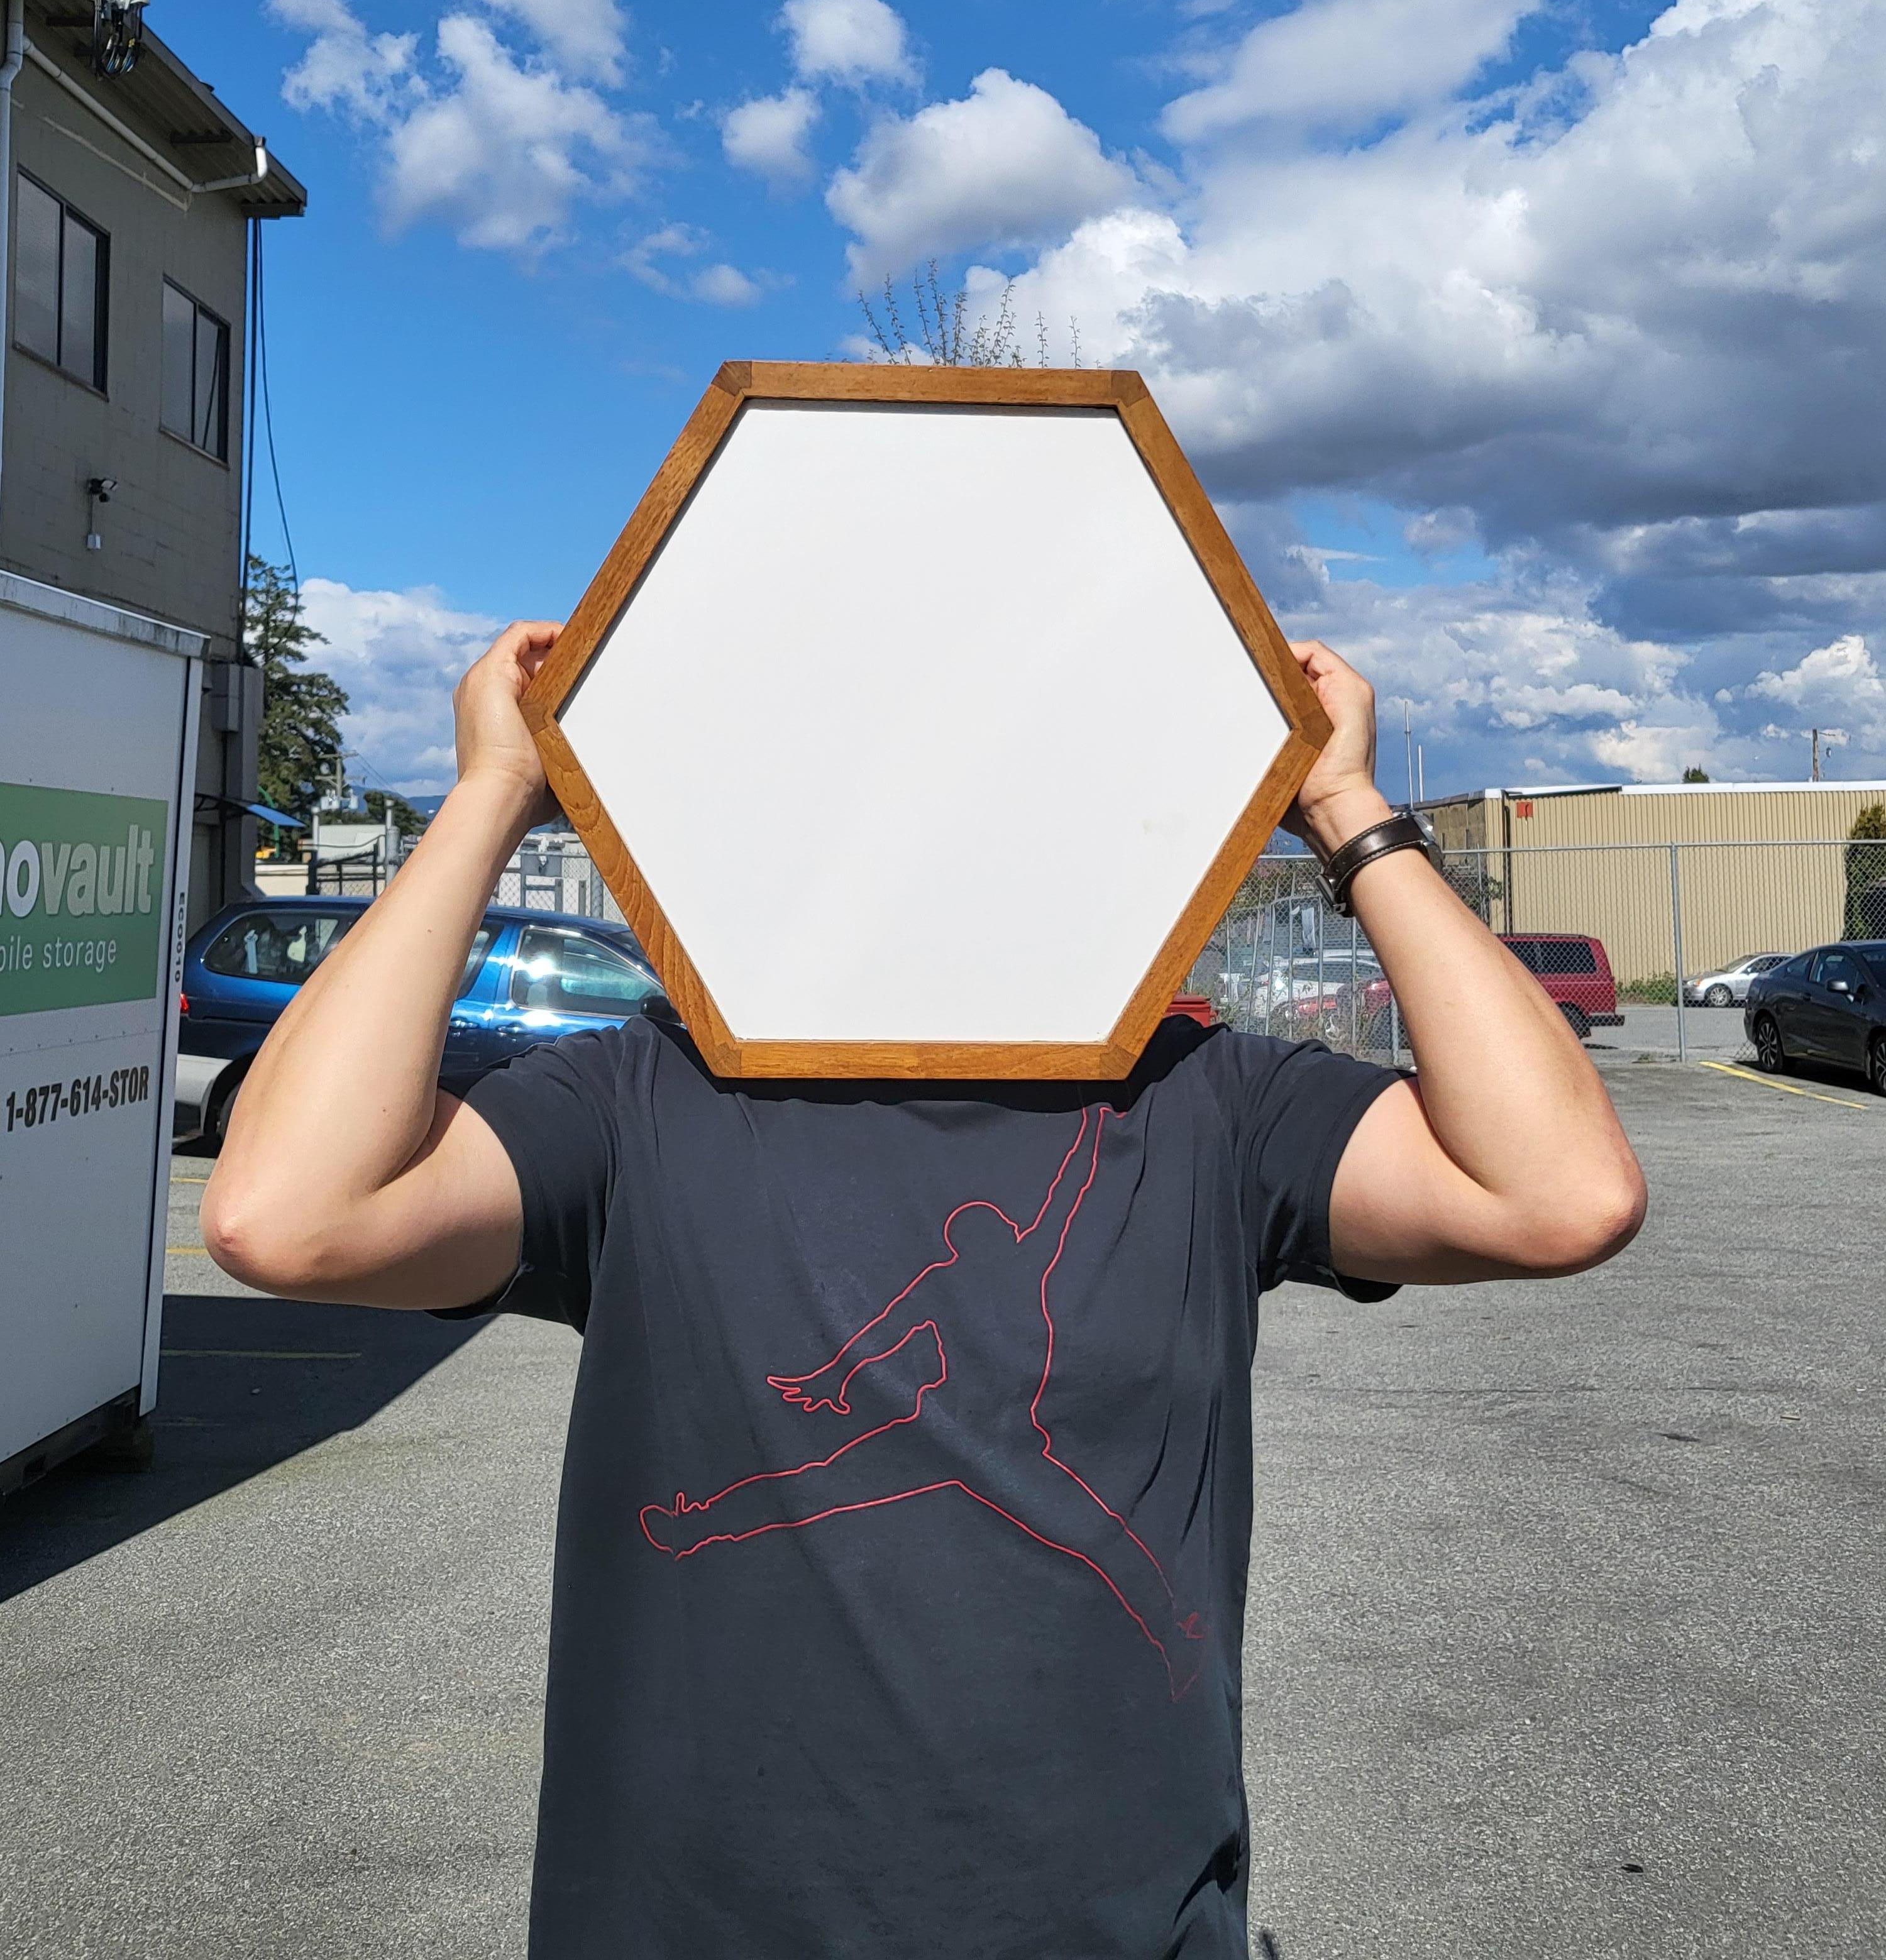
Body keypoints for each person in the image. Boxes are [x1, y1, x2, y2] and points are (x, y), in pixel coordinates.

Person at [202, 624, 1645, 1960]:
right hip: (683, 1928)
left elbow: (1558, 1192)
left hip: (1121, 1927)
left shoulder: (1206, 1102)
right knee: (834, 1480)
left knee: (1064, 1548)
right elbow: (290, 1215)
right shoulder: (648, 1094)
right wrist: (495, 792)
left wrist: (1348, 808)